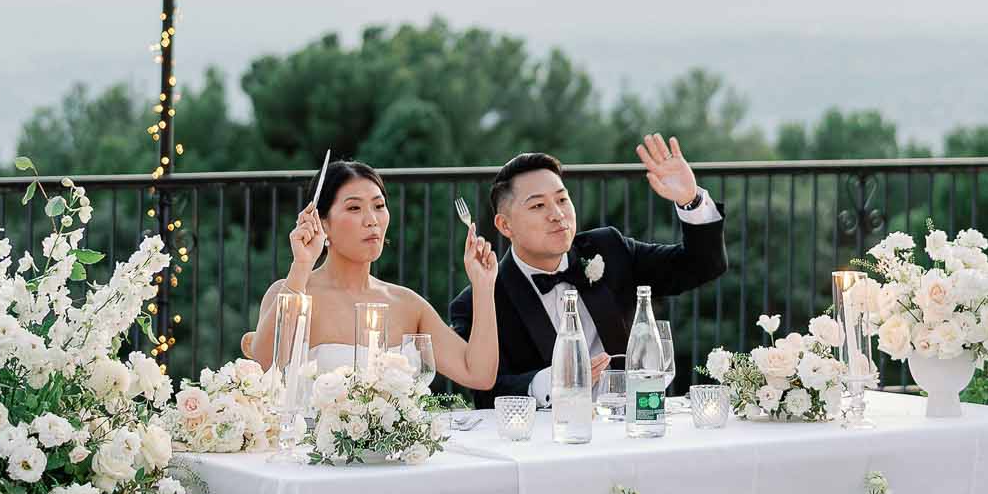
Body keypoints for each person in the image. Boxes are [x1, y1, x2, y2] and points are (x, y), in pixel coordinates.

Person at [449, 133, 725, 405]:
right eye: (537, 205)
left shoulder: (608, 248)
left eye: (561, 199)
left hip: (632, 422)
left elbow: (701, 265)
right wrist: (554, 380)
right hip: (550, 439)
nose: (557, 214)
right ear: (505, 225)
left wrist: (691, 200)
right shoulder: (478, 302)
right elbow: (486, 393)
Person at [244, 159, 500, 393]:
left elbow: (478, 374)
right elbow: (266, 364)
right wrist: (301, 264)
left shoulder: (407, 303)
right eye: (354, 208)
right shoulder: (291, 291)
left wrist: (483, 286)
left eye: (379, 206)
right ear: (322, 223)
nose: (372, 220)